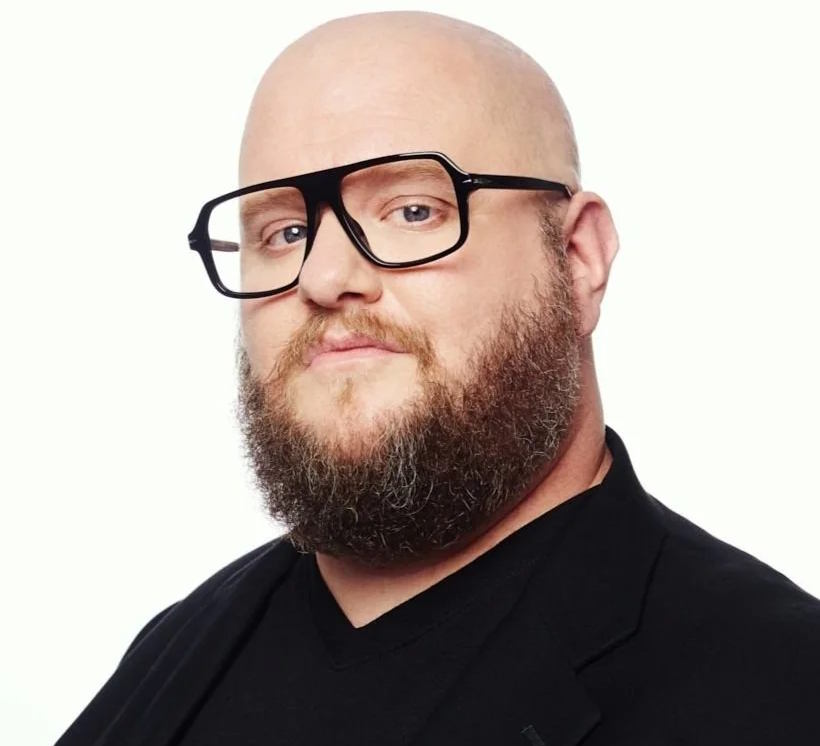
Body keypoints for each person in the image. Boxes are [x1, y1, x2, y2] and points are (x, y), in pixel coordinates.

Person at [57, 11, 819, 746]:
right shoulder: (169, 663)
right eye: (284, 232)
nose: (324, 276)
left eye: (413, 211)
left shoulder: (783, 689)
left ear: (578, 260)